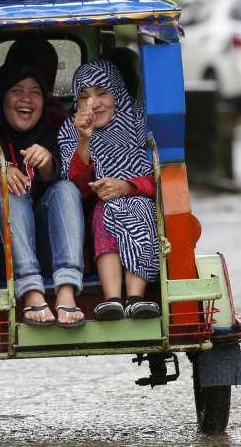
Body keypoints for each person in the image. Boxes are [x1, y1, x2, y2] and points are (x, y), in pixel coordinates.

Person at [58, 59, 160, 321]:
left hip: (142, 200)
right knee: (107, 212)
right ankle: (112, 299)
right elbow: (75, 186)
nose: (93, 103)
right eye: (84, 97)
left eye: (102, 93)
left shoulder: (141, 120)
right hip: (95, 210)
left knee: (138, 209)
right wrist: (84, 138)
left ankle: (137, 297)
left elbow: (161, 176)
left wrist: (128, 187)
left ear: (117, 92)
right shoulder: (70, 130)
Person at [0, 62, 86, 328]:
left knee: (66, 188)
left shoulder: (56, 128)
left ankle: (66, 291)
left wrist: (46, 163)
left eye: (35, 92)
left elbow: (65, 173)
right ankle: (32, 293)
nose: (26, 98)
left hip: (52, 246)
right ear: (1, 98)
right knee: (14, 193)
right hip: (4, 252)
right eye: (16, 90)